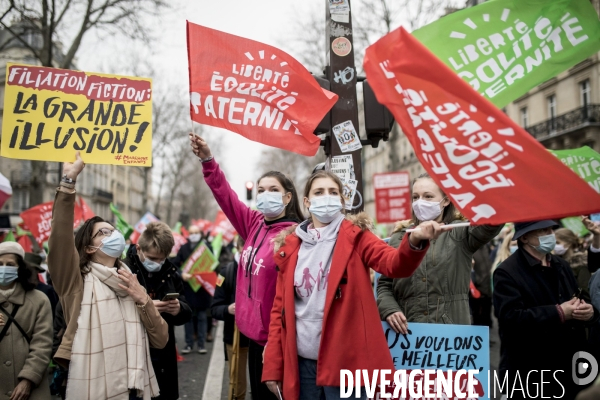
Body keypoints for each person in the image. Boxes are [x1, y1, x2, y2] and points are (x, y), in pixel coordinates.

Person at [262, 171, 441, 399]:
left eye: (333, 192)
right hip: (302, 365)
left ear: (341, 200)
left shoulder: (358, 237)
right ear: (307, 202)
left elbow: (395, 264)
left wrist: (415, 240)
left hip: (348, 365)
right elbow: (280, 312)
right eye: (319, 192)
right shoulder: (290, 246)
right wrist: (273, 366)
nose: (326, 197)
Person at [190, 134, 304, 400]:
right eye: (261, 190)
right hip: (251, 338)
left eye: (273, 190)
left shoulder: (296, 235)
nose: (265, 195)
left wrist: (277, 343)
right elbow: (225, 196)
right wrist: (208, 160)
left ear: (288, 197)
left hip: (277, 342)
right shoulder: (253, 223)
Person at [48, 152, 168, 400]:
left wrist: (142, 299)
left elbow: (161, 339)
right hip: (94, 389)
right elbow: (60, 238)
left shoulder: (130, 281)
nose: (114, 236)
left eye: (114, 231)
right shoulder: (76, 282)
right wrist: (69, 182)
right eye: (104, 232)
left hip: (134, 389)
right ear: (89, 247)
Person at [377, 173, 503, 332]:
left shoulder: (461, 233)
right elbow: (385, 285)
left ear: (446, 200)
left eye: (428, 196)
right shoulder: (399, 237)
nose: (420, 202)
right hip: (408, 334)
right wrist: (389, 309)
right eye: (415, 197)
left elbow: (491, 223)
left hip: (451, 335)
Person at [493, 220, 600, 400]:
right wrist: (558, 312)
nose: (551, 234)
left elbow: (579, 298)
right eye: (543, 230)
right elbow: (510, 318)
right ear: (525, 237)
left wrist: (588, 313)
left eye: (551, 229)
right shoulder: (507, 271)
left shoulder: (561, 265)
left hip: (567, 368)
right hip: (530, 369)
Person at [124, 221, 192, 400]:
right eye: (153, 259)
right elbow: (115, 311)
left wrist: (178, 309)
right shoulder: (123, 270)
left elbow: (186, 310)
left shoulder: (170, 272)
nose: (158, 263)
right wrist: (146, 307)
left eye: (163, 259)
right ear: (139, 248)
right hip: (133, 351)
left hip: (163, 353)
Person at [0, 242, 53, 400]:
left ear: (19, 268)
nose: (3, 268)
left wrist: (28, 379)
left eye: (10, 264)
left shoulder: (39, 300)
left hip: (32, 391)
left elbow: (42, 344)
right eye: (0, 264)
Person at [211, 236, 249, 400]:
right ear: (238, 247)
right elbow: (215, 308)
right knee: (237, 382)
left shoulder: (263, 267)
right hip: (235, 336)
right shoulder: (225, 272)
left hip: (260, 338)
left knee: (261, 381)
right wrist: (228, 309)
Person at [172, 225, 213, 354]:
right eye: (191, 232)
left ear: (200, 234)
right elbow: (175, 265)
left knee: (201, 317)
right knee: (188, 318)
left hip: (202, 288)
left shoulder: (207, 248)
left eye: (196, 232)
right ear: (188, 234)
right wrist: (181, 274)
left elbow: (213, 265)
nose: (194, 234)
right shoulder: (183, 248)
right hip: (188, 288)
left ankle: (201, 344)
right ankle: (188, 344)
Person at [555, 219, 600, 297]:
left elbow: (586, 290)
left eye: (557, 243)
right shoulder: (557, 263)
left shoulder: (580, 264)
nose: (554, 246)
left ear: (568, 243)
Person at [25, 252, 59, 319]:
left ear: (37, 270)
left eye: (29, 269)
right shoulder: (17, 289)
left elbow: (53, 315)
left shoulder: (47, 290)